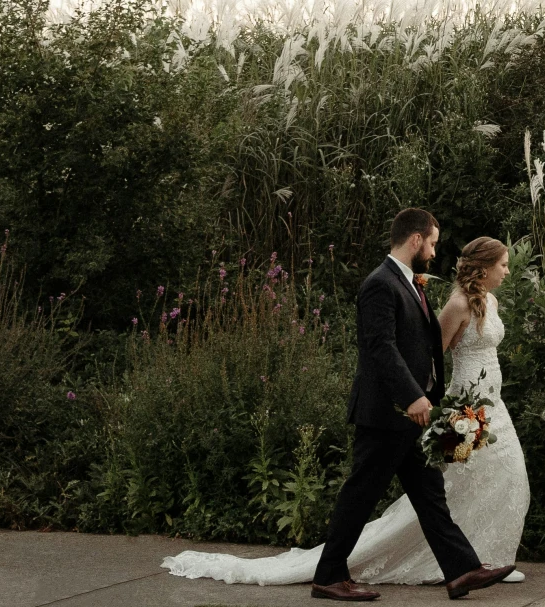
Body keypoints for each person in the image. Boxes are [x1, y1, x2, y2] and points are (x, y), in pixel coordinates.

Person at [161, 212, 520, 602]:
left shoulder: (407, 283)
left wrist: (431, 399)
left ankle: (461, 570)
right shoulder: (380, 284)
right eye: (432, 243)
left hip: (412, 416)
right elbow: (380, 348)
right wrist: (413, 395)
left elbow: (420, 346)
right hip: (386, 414)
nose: (434, 252)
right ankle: (329, 575)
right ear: (415, 240)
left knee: (430, 496)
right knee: (360, 495)